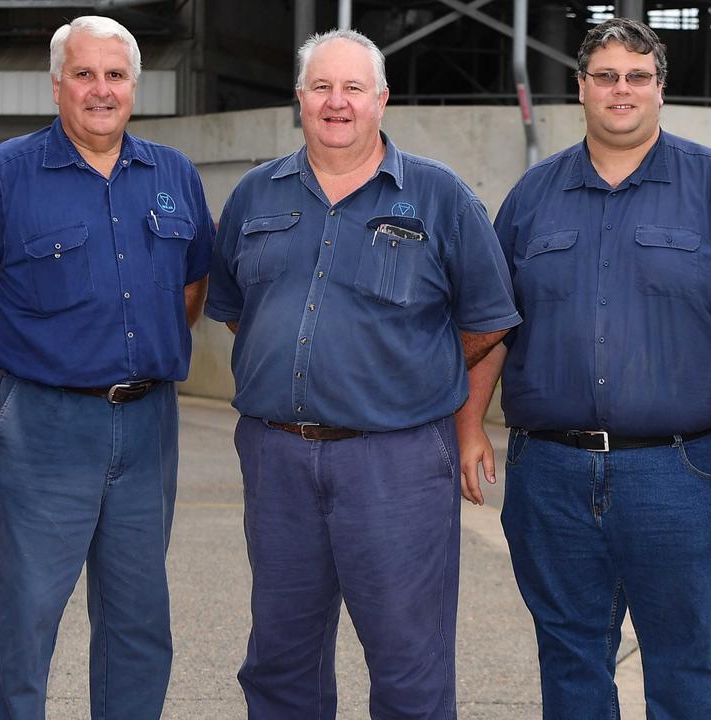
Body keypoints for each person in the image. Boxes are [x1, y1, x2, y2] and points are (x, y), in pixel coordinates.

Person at [456, 18, 711, 719]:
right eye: (606, 76)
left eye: (637, 77)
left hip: (681, 472)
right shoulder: (532, 197)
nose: (621, 90)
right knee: (570, 658)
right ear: (580, 88)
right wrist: (468, 428)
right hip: (550, 475)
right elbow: (492, 325)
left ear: (660, 91)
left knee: (682, 659)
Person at [206, 28, 519, 720]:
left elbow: (489, 322)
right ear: (299, 98)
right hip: (277, 456)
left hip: (398, 462)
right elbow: (238, 311)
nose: (336, 102)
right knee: (281, 659)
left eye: (353, 88)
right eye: (322, 87)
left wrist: (416, 380)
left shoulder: (440, 198)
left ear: (381, 99)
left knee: (408, 662)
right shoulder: (255, 195)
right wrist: (306, 365)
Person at [0, 16, 213, 720]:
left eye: (115, 76)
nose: (100, 90)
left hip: (149, 425)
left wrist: (141, 353)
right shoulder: (3, 175)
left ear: (134, 87)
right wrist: (3, 382)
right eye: (84, 75)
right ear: (57, 84)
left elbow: (190, 281)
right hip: (45, 425)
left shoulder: (174, 173)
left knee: (139, 623)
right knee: (27, 622)